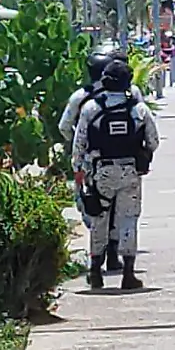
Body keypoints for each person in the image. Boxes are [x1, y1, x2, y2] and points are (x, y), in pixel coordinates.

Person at [74, 60, 160, 290]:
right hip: (130, 171)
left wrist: (78, 171)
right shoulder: (139, 110)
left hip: (100, 172)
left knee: (99, 220)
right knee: (128, 220)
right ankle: (128, 273)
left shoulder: (91, 108)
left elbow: (79, 143)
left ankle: (95, 272)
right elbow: (153, 141)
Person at [60, 47, 144, 272]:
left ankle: (97, 260)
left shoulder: (81, 97)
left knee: (93, 210)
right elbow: (143, 124)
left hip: (91, 165)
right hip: (126, 163)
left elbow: (65, 127)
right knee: (123, 211)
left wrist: (83, 149)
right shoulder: (131, 93)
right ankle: (114, 254)